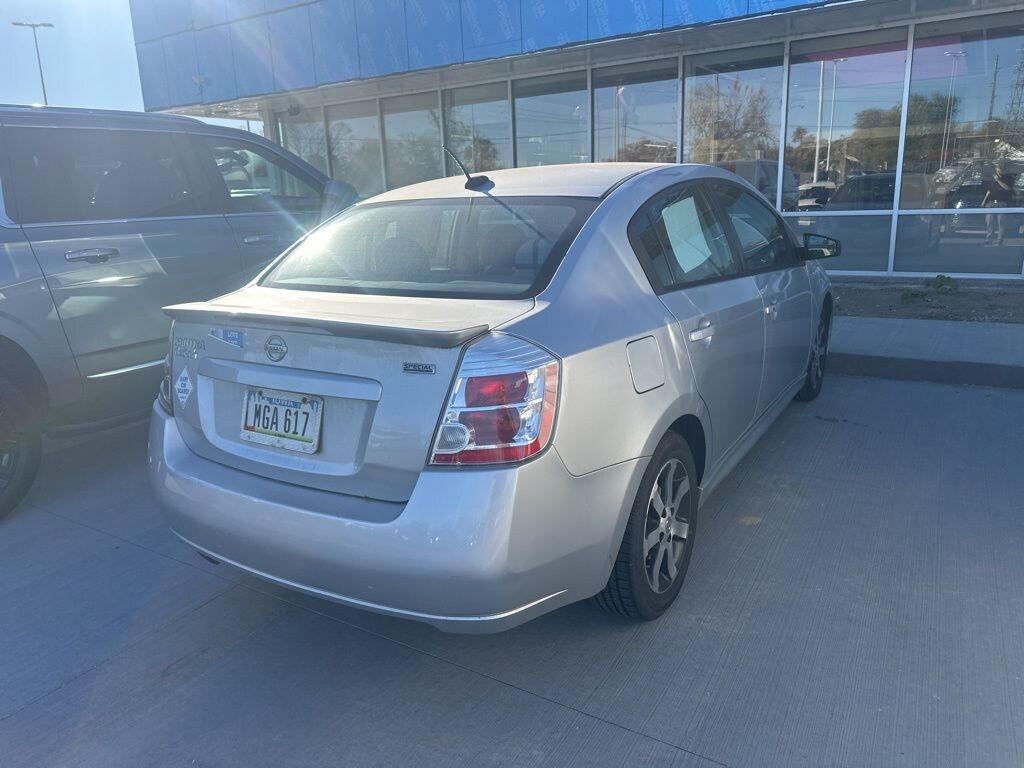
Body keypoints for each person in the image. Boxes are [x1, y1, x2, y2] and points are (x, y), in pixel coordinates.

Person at [981, 162, 1016, 246]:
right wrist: (984, 201)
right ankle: (989, 238)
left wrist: (998, 180)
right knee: (989, 221)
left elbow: (1007, 188)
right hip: (991, 202)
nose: (999, 170)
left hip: (1002, 203)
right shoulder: (992, 178)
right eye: (998, 168)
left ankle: (999, 240)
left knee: (1001, 223)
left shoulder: (1008, 177)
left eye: (1001, 168)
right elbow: (989, 190)